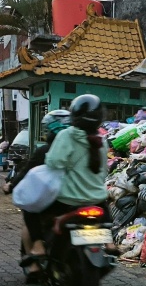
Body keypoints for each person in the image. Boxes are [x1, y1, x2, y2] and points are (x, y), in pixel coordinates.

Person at [21, 95, 118, 272]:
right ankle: (109, 242)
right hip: (96, 201)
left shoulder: (66, 135)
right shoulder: (102, 141)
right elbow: (105, 171)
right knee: (104, 212)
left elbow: (54, 163)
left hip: (66, 202)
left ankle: (38, 246)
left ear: (74, 115)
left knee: (30, 209)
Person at [4, 110, 71, 281]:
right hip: (80, 200)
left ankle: (35, 257)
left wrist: (11, 184)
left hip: (53, 202)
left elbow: (27, 172)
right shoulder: (82, 147)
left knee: (29, 212)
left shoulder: (45, 151)